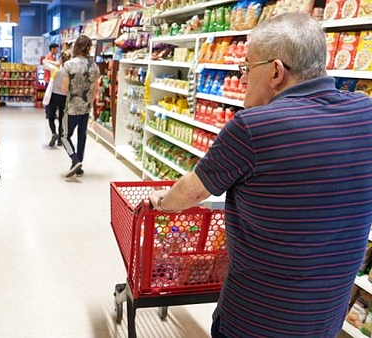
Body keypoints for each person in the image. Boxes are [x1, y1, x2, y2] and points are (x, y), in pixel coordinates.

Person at [148, 13, 372, 338]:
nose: (240, 80)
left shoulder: (253, 127)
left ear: (276, 71)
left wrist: (162, 202)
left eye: (247, 68)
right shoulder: (365, 112)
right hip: (326, 318)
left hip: (257, 319)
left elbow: (191, 192)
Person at [61, 35, 99, 177]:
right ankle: (79, 165)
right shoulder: (94, 66)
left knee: (64, 136)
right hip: (86, 107)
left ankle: (75, 159)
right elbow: (95, 89)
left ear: (76, 46)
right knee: (81, 136)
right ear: (89, 48)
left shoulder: (69, 65)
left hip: (71, 107)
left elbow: (65, 89)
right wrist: (88, 101)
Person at [43, 51, 71, 147]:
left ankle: (54, 133)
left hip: (54, 96)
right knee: (61, 119)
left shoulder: (55, 69)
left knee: (51, 117)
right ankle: (60, 140)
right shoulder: (69, 71)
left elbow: (44, 61)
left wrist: (56, 63)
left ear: (60, 60)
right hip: (64, 96)